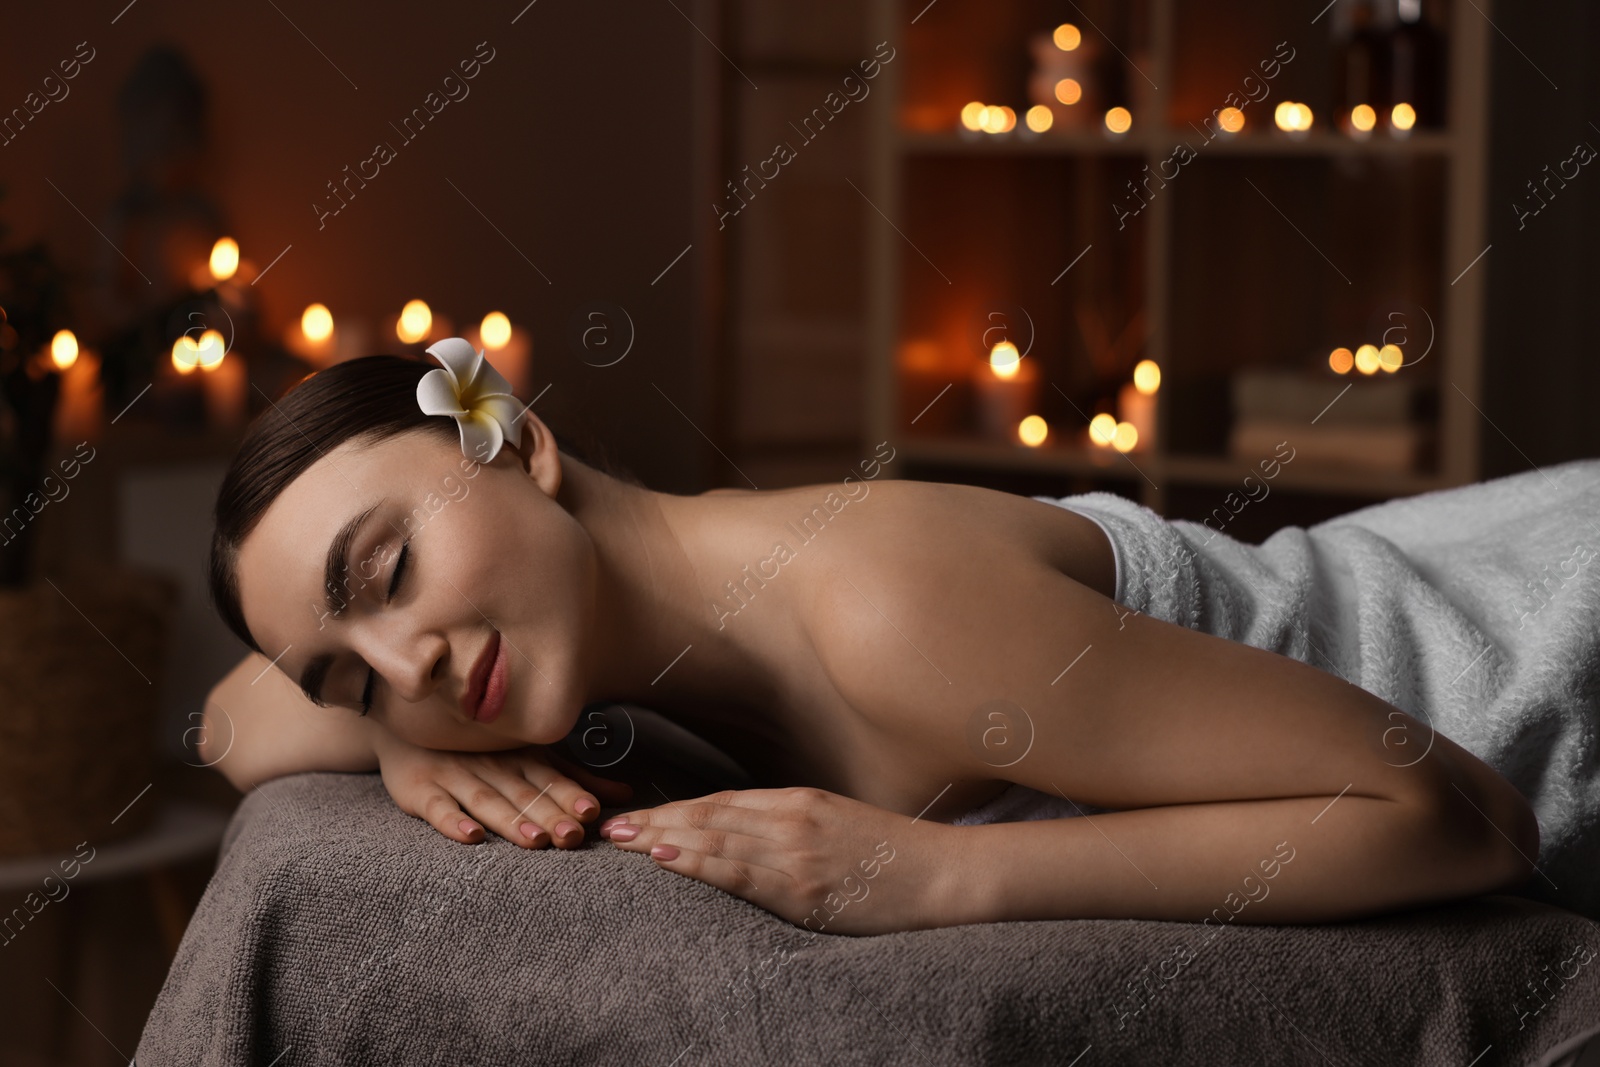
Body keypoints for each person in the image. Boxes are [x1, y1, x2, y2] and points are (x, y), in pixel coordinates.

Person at [200, 340, 1542, 936]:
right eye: (349, 678)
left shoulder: (885, 612)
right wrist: (396, 748)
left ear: (525, 447)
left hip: (1533, 644)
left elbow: (1454, 815)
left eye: (387, 570)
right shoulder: (498, 665)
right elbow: (228, 720)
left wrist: (935, 880)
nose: (404, 666)